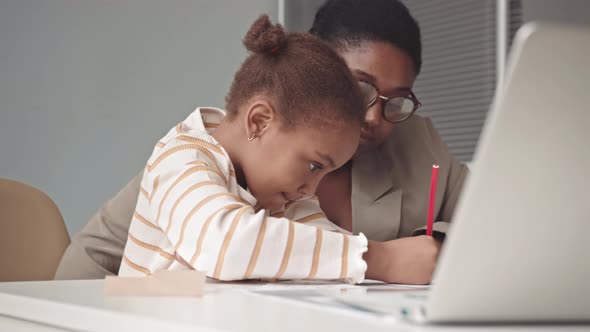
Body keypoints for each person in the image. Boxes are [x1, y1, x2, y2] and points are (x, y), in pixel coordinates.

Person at [56, 0, 467, 284]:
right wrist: (376, 259)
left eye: (395, 101)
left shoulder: (287, 190)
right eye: (313, 165)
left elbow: (321, 238)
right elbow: (227, 243)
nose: (372, 116)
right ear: (259, 121)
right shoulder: (183, 159)